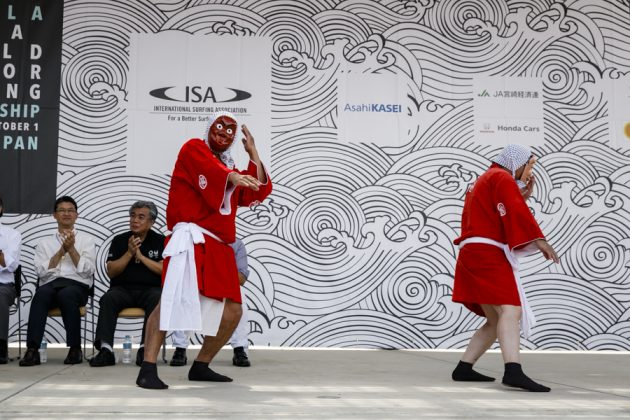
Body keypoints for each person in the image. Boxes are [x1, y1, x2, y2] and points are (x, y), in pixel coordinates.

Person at [136, 112, 272, 389]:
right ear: (209, 128)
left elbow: (254, 190)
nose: (224, 132)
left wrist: (253, 153)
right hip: (190, 239)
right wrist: (232, 176)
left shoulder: (228, 166)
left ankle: (201, 365)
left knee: (233, 311)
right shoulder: (194, 149)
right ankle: (147, 368)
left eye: (230, 130)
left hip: (220, 246)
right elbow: (216, 173)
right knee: (170, 302)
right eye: (219, 127)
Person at [451, 144, 560, 392]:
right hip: (486, 253)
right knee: (511, 310)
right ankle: (513, 371)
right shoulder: (501, 177)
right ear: (517, 162)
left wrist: (520, 196)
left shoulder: (486, 178)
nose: (531, 171)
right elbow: (512, 210)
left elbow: (497, 209)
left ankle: (463, 368)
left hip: (474, 252)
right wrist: (538, 239)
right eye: (530, 165)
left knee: (495, 318)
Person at [20, 196, 96, 366]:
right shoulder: (44, 243)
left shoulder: (87, 241)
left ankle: (75, 349)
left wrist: (72, 250)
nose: (66, 214)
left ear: (77, 215)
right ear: (54, 215)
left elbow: (88, 271)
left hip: (76, 286)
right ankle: (32, 350)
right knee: (40, 295)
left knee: (67, 294)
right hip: (51, 285)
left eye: (70, 210)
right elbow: (41, 272)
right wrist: (62, 251)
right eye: (62, 210)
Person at [90, 201, 165, 367]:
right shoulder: (119, 240)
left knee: (158, 298)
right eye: (132, 216)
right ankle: (106, 350)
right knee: (108, 298)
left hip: (150, 290)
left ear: (152, 222)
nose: (135, 220)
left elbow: (163, 270)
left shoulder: (161, 241)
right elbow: (111, 271)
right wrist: (130, 253)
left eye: (141, 217)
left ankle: (146, 350)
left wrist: (142, 257)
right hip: (122, 290)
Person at [169, 238, 252, 368]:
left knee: (241, 299)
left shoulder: (236, 244)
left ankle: (239, 349)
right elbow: (189, 271)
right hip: (201, 284)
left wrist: (216, 270)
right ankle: (180, 349)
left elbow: (241, 279)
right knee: (184, 295)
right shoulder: (197, 238)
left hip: (224, 285)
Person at [0, 196, 22, 364]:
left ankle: (0, 348)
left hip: (4, 285)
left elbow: (11, 265)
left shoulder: (11, 235)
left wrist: (2, 259)